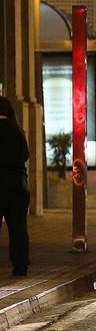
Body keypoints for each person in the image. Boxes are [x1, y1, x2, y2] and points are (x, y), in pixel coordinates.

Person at [0, 96, 30, 275]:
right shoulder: (17, 131)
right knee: (18, 227)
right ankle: (21, 265)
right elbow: (25, 155)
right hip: (19, 185)